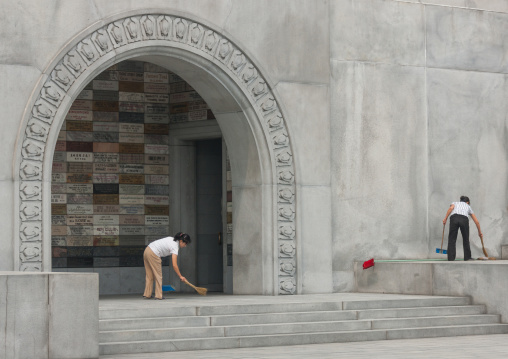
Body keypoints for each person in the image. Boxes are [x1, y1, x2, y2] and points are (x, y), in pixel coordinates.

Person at [143, 232, 191, 300]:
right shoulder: (175, 246)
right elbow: (174, 264)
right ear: (181, 241)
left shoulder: (171, 239)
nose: (185, 246)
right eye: (185, 243)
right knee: (158, 276)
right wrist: (180, 276)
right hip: (154, 253)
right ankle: (158, 295)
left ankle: (147, 294)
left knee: (149, 275)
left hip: (147, 250)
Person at [442, 196, 483, 261]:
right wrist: (479, 232)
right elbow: (476, 222)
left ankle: (451, 258)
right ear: (467, 202)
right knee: (465, 238)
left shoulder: (455, 203)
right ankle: (467, 257)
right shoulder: (468, 206)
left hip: (454, 218)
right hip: (464, 219)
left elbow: (450, 208)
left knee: (452, 238)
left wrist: (445, 218)